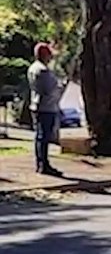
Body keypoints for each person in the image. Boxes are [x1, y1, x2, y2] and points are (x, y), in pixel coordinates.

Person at [27, 43, 62, 177]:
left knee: (40, 136)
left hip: (37, 104)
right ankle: (43, 164)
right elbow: (49, 89)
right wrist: (59, 86)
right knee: (44, 136)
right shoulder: (43, 70)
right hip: (46, 106)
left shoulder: (33, 68)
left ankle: (41, 162)